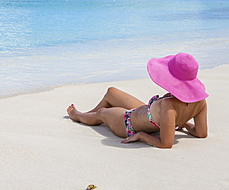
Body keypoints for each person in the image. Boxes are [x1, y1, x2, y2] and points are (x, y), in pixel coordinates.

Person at [67, 52, 208, 149]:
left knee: (102, 113)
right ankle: (89, 115)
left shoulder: (168, 106)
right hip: (146, 113)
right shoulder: (200, 103)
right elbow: (201, 133)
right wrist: (185, 124)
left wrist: (141, 135)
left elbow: (166, 143)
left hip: (129, 124)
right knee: (112, 92)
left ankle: (79, 116)